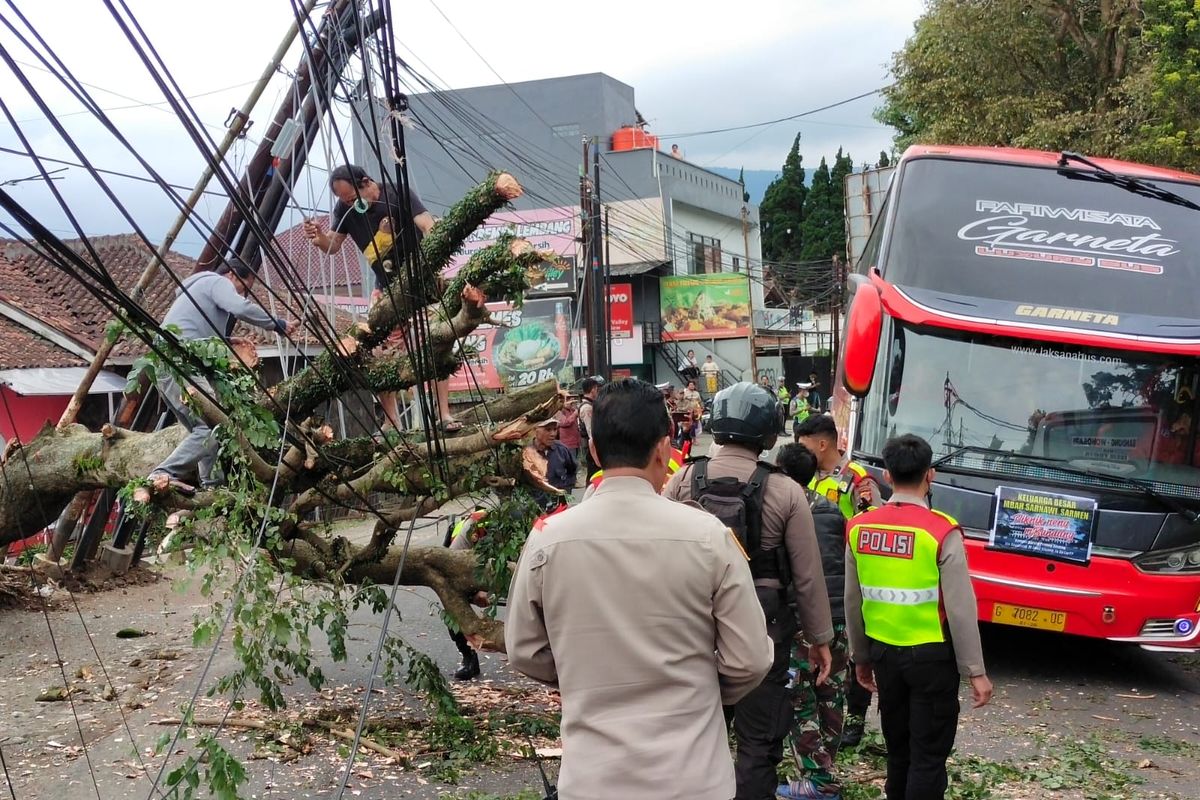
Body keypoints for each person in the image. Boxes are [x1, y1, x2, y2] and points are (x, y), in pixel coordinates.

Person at [506, 378, 774, 799]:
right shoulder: (708, 537)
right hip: (694, 779)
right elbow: (751, 659)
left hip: (593, 781)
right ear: (664, 449)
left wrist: (584, 675)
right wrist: (701, 688)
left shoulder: (548, 540)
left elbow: (524, 650)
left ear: (595, 451)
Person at [665, 382, 834, 800]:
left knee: (692, 741)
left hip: (692, 630)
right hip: (763, 632)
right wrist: (820, 640)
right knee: (759, 742)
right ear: (770, 434)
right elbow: (807, 577)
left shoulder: (684, 479)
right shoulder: (785, 490)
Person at [846, 434, 993, 800]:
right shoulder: (942, 530)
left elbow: (853, 600)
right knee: (927, 758)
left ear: (886, 475)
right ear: (930, 475)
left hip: (883, 655)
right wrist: (975, 671)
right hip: (931, 659)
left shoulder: (860, 527)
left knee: (898, 751)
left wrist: (860, 658)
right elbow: (960, 608)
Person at [302, 164, 460, 433]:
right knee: (379, 353)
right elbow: (333, 245)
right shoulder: (344, 209)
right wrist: (318, 239)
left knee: (437, 345)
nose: (349, 204)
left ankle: (444, 414)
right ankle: (391, 421)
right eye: (343, 200)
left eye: (351, 198)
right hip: (385, 288)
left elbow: (426, 223)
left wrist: (434, 248)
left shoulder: (397, 193)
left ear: (366, 182)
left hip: (421, 285)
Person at [136, 258, 297, 501]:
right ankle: (162, 473)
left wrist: (227, 341)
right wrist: (278, 325)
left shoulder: (195, 290)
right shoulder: (216, 281)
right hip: (179, 362)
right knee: (211, 426)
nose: (241, 293)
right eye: (243, 287)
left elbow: (196, 332)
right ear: (231, 274)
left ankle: (212, 488)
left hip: (165, 363)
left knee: (205, 428)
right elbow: (240, 308)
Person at [794, 413, 882, 746]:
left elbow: (872, 525)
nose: (800, 453)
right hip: (814, 574)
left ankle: (855, 720)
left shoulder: (857, 479)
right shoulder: (808, 478)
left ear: (822, 444)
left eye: (804, 446)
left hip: (849, 575)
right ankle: (821, 719)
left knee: (856, 648)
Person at [775, 444, 853, 800]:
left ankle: (820, 781)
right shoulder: (832, 510)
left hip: (804, 619)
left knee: (799, 698)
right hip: (839, 616)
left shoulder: (784, 510)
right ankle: (826, 766)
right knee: (831, 694)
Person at [522, 418, 577, 510]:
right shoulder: (525, 453)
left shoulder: (562, 450)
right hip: (535, 508)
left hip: (560, 506)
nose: (553, 434)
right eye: (548, 430)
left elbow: (572, 472)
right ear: (536, 430)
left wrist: (565, 491)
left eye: (555, 429)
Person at [577, 375, 603, 480]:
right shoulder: (587, 408)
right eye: (597, 388)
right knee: (594, 476)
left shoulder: (590, 405)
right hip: (592, 448)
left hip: (592, 446)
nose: (598, 391)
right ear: (593, 389)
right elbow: (591, 432)